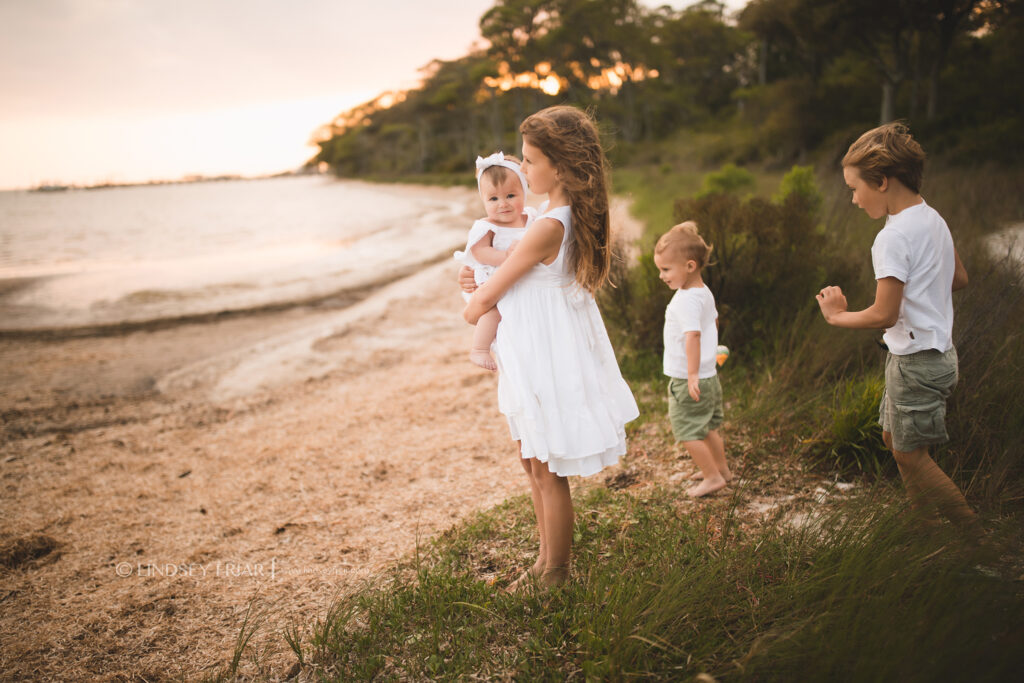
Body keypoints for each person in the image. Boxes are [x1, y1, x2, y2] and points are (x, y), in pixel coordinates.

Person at [462, 106, 639, 589]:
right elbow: (507, 272)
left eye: (529, 160)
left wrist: (474, 301)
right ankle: (543, 561)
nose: (523, 169)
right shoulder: (552, 217)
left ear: (558, 167)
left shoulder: (547, 226)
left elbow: (491, 292)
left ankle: (557, 571)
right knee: (530, 458)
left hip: (544, 350)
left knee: (544, 466)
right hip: (531, 345)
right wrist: (478, 276)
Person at [816, 121, 979, 534]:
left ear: (882, 181)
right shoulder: (932, 218)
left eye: (855, 188)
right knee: (894, 440)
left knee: (912, 456)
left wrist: (837, 316)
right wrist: (926, 291)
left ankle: (974, 535)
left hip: (916, 363)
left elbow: (884, 314)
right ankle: (925, 527)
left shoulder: (891, 238)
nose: (853, 199)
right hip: (936, 355)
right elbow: (959, 278)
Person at [654, 222, 733, 498]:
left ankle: (712, 477)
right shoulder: (703, 292)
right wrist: (707, 362)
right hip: (709, 375)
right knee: (708, 427)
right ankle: (721, 470)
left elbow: (693, 336)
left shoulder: (685, 300)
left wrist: (690, 374)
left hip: (690, 378)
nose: (661, 276)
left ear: (689, 266)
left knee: (687, 431)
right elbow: (713, 322)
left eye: (665, 269)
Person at [454, 152, 534, 371]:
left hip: (517, 280)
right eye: (493, 199)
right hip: (492, 279)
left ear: (524, 192)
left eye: (510, 196)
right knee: (494, 311)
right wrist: (506, 257)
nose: (503, 204)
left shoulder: (532, 218)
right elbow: (480, 253)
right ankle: (479, 349)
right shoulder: (486, 226)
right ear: (484, 200)